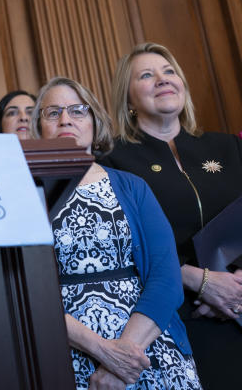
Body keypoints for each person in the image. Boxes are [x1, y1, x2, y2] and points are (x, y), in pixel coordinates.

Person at [32, 76, 200, 389]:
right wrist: (103, 351)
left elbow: (167, 280)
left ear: (95, 121)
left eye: (77, 110)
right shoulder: (24, 197)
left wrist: (122, 361)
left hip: (148, 351)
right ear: (38, 127)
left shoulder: (132, 187)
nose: (65, 119)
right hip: (66, 353)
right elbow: (26, 291)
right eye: (52, 113)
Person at [100, 42, 242, 389]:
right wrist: (200, 281)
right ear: (129, 100)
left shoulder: (228, 147)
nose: (162, 80)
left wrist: (236, 286)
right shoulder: (113, 163)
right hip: (178, 321)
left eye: (169, 72)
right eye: (147, 75)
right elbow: (122, 250)